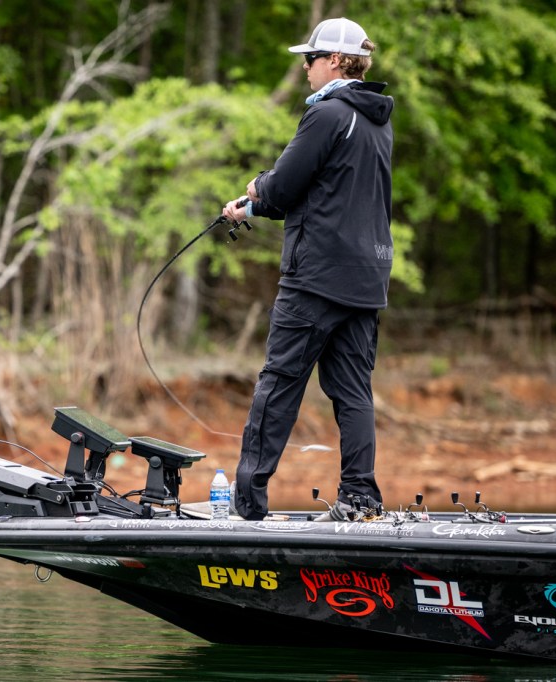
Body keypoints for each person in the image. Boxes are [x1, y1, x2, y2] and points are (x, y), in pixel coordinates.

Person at [222, 17, 394, 522]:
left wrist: (256, 188)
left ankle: (247, 505)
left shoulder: (327, 113)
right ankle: (360, 498)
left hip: (315, 279)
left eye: (311, 58)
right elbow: (319, 195)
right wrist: (253, 209)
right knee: (354, 393)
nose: (305, 67)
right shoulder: (376, 120)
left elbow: (281, 186)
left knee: (278, 384)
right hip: (365, 280)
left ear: (336, 61)